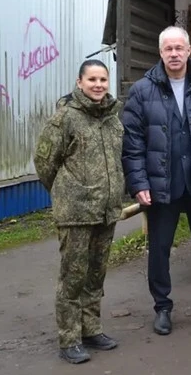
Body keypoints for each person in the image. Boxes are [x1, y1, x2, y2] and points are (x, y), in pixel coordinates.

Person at [121, 26, 191, 336]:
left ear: (188, 51)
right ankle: (162, 308)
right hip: (161, 186)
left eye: (179, 48)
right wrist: (139, 184)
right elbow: (132, 145)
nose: (174, 53)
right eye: (168, 48)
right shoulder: (142, 91)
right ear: (160, 53)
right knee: (159, 250)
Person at [34, 59, 126, 364]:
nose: (98, 85)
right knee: (73, 276)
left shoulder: (113, 118)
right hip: (75, 212)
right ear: (79, 82)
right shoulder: (65, 118)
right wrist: (66, 191)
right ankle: (69, 338)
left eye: (103, 79)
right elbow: (45, 162)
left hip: (106, 211)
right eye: (92, 80)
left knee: (96, 274)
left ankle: (92, 329)